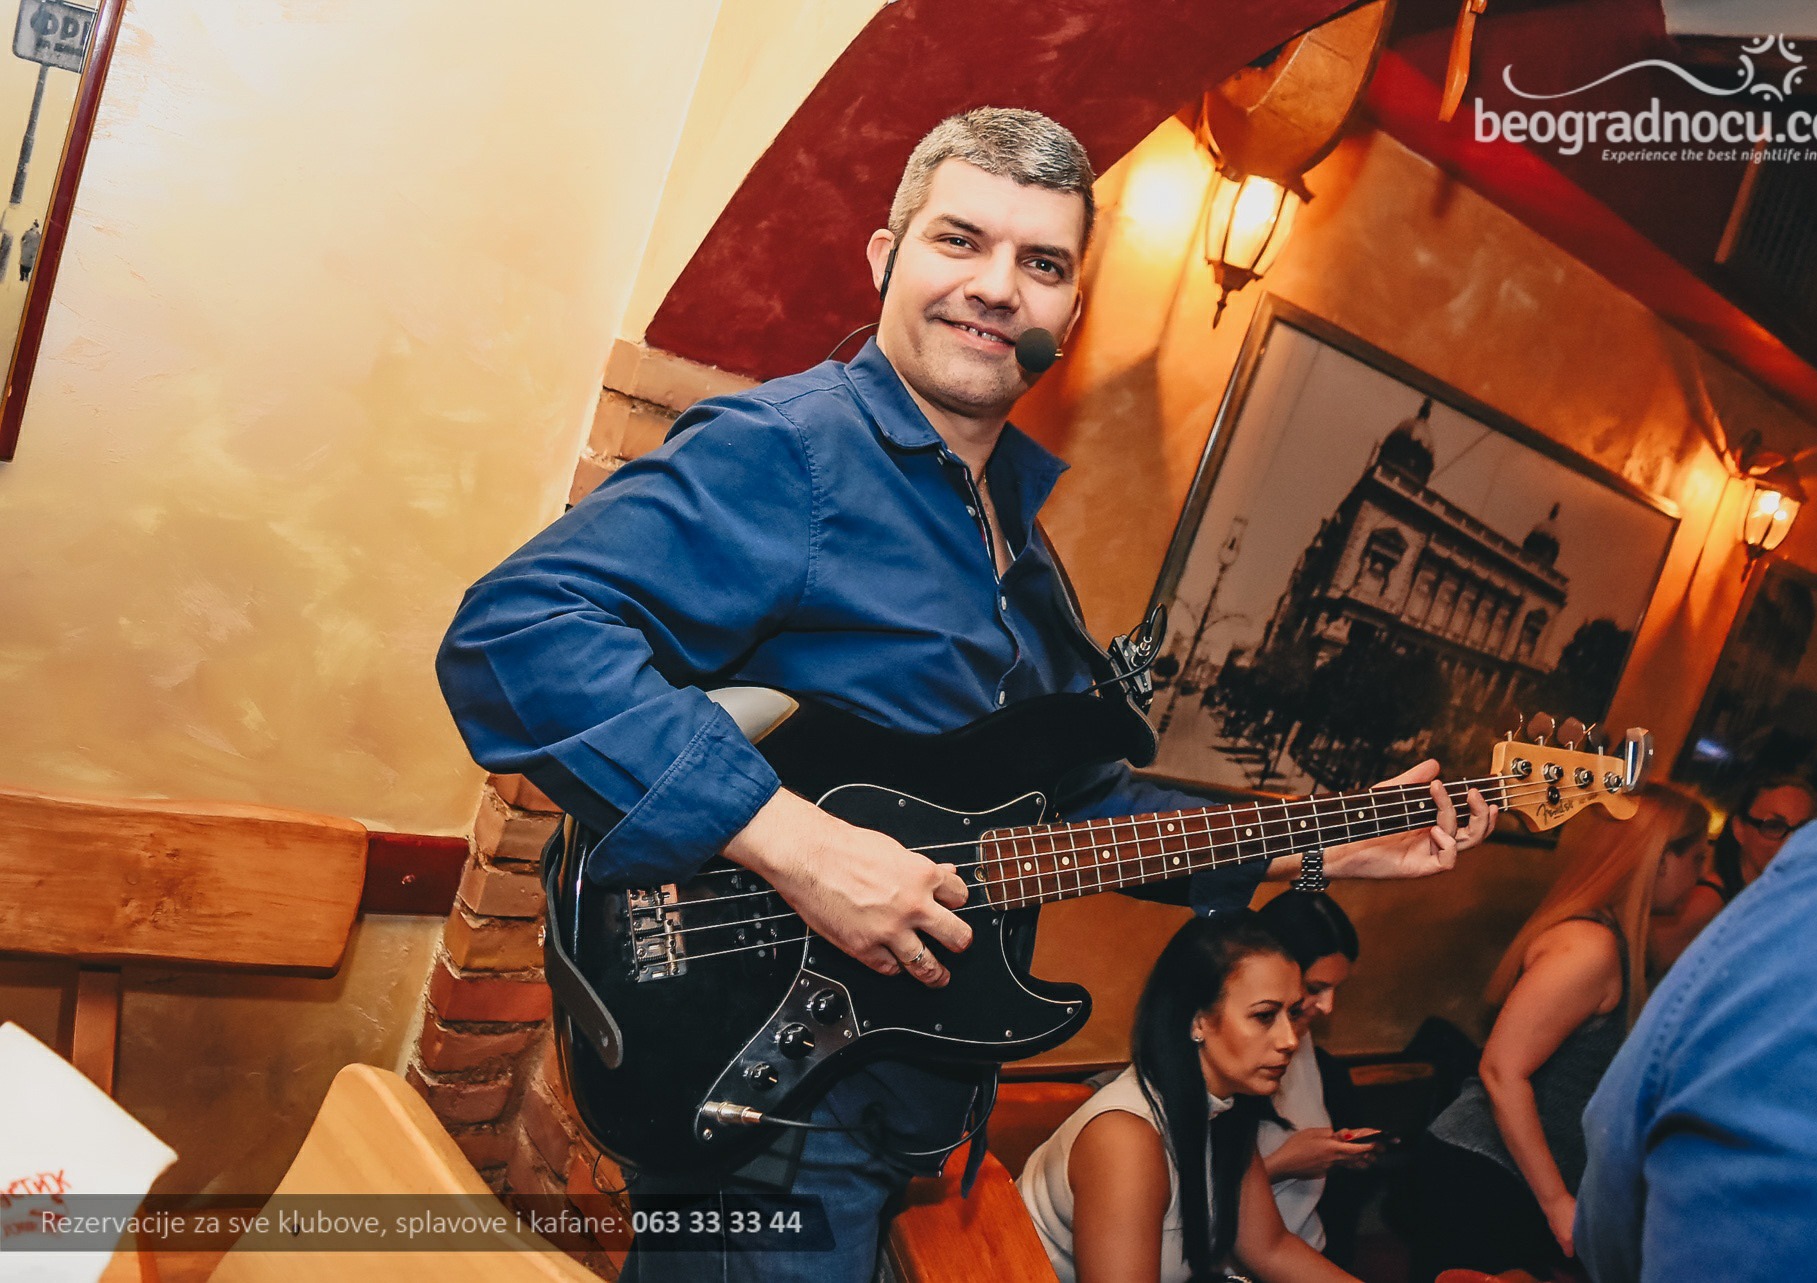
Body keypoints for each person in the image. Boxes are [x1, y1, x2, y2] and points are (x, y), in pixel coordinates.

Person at [437, 107, 1495, 1283]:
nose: (998, 286)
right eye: (960, 240)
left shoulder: (1022, 555)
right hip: (764, 1090)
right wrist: (795, 841)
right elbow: (513, 635)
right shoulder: (794, 450)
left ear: (1069, 314)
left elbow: (1079, 816)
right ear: (886, 259)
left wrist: (1327, 844)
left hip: (880, 1102)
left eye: (1042, 263)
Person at [1576, 800, 1817, 1282]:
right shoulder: (1614, 937)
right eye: (1773, 824)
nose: (1785, 836)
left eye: (1797, 825)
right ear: (1739, 828)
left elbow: (1617, 1133)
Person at [1414, 784, 1708, 1279]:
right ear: (1660, 860)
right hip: (1484, 1172)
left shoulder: (1617, 943)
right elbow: (1501, 1071)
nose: (1701, 877)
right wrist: (1555, 1202)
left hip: (1514, 1175)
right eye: (1697, 859)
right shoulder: (1590, 948)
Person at [1020, 911, 1356, 1282]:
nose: (1290, 1040)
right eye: (1264, 1016)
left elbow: (1270, 1248)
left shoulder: (1223, 1109)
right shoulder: (1125, 1137)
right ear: (1197, 1020)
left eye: (1293, 1014)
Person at [1251, 892, 1373, 1258]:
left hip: (1303, 1248)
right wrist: (1281, 1166)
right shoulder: (1225, 1057)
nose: (1328, 1007)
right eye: (1316, 988)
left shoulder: (1308, 1050)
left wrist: (1338, 1151)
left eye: (1336, 990)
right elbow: (1186, 1203)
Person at [1649, 774, 1817, 971]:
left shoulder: (1766, 903)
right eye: (1773, 826)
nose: (1790, 841)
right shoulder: (1707, 901)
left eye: (1803, 830)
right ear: (1739, 829)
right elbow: (1637, 966)